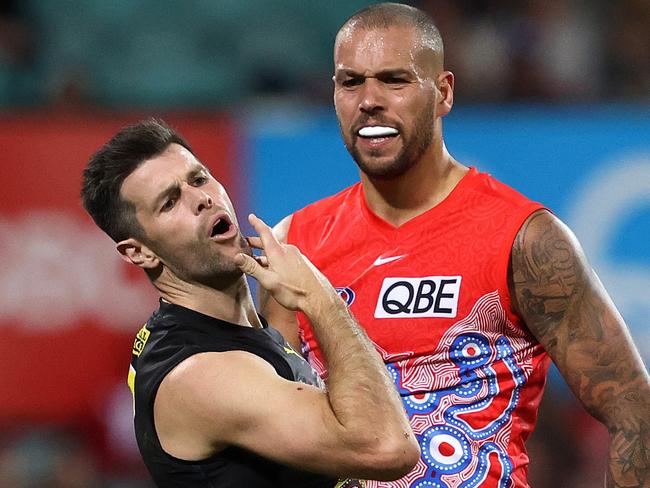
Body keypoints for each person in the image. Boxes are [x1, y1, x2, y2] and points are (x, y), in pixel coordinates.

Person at [261, 3, 650, 487]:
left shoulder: (526, 239)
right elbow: (277, 439)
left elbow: (635, 411)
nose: (369, 100)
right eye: (351, 81)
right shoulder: (293, 245)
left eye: (395, 80)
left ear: (443, 92)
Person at [80, 118, 420, 488]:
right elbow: (387, 449)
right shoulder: (201, 375)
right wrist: (321, 297)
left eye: (198, 178)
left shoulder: (234, 326)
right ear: (140, 252)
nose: (201, 199)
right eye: (170, 202)